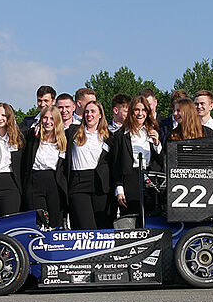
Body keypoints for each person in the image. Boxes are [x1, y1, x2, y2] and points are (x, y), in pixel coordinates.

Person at [66, 101, 113, 230]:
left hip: (100, 184)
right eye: (86, 112)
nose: (89, 114)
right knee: (86, 227)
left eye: (93, 111)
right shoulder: (73, 132)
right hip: (78, 183)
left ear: (100, 115)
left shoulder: (109, 136)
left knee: (102, 226)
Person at [112, 96, 162, 216]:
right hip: (130, 181)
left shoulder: (152, 131)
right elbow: (116, 165)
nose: (140, 114)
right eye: (137, 110)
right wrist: (119, 190)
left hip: (150, 179)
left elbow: (161, 161)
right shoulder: (120, 135)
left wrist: (157, 144)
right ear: (131, 112)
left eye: (144, 110)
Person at [22, 106, 68, 227]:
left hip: (54, 182)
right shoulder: (33, 135)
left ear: (57, 120)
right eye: (45, 118)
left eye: (52, 118)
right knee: (38, 222)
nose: (48, 122)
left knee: (55, 222)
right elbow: (15, 131)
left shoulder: (63, 139)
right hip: (34, 181)